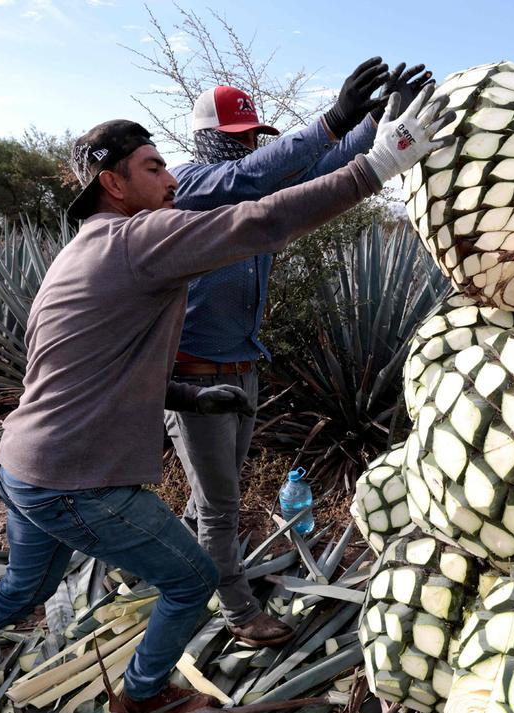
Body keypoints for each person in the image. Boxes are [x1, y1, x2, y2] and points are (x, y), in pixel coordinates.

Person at [0, 85, 454, 713]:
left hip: (21, 462)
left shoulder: (83, 246)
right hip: (75, 477)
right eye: (154, 166)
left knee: (16, 590)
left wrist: (185, 392)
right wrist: (379, 161)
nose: (170, 176)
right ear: (113, 182)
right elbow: (261, 220)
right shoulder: (138, 238)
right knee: (191, 579)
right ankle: (144, 691)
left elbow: (85, 362)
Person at [163, 59, 432, 648]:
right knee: (220, 506)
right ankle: (235, 611)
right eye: (232, 140)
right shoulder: (188, 185)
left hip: (240, 367)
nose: (243, 151)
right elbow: (253, 176)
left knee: (211, 493)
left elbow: (326, 171)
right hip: (192, 378)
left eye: (249, 140)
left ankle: (177, 574)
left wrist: (374, 124)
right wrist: (331, 119)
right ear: (205, 138)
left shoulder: (248, 189)